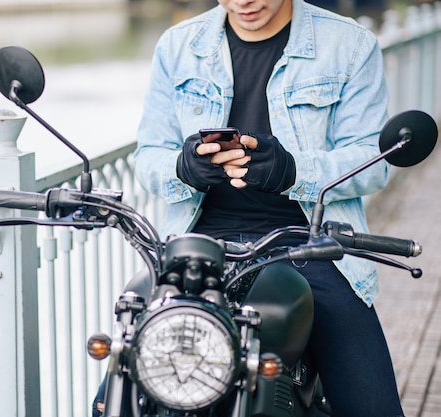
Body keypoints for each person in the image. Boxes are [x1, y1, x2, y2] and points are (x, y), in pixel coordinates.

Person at [124, 0, 403, 416]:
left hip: (310, 244)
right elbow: (148, 156)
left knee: (371, 404)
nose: (243, 1)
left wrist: (292, 171)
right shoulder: (178, 45)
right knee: (124, 380)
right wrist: (184, 166)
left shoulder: (349, 44)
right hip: (201, 245)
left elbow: (373, 162)